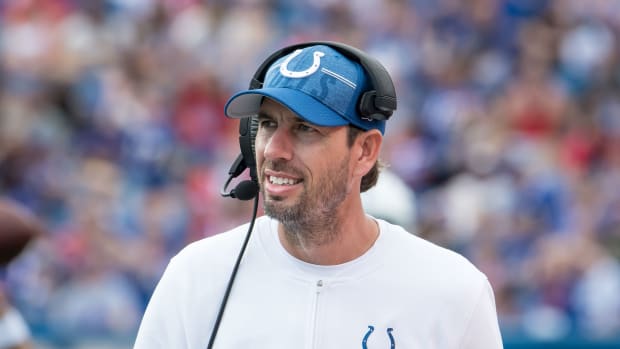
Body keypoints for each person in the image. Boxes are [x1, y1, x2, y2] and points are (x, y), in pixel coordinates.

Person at [134, 42, 504, 348]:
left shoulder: (454, 291)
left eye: (306, 128)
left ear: (364, 151)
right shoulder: (195, 277)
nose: (274, 150)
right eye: (267, 124)